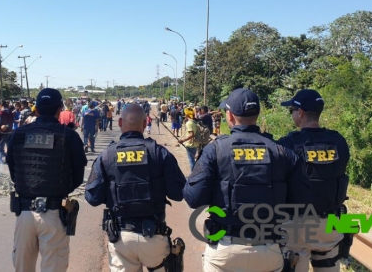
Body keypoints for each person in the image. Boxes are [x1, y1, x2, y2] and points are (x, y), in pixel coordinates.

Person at [183, 88, 312, 272]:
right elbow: (302, 201)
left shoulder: (215, 150)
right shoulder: (282, 151)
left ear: (229, 116)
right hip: (268, 249)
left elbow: (192, 198)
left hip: (225, 250)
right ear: (257, 114)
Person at [85, 103, 187, 271]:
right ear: (146, 122)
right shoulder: (159, 153)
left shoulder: (107, 155)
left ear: (119, 123)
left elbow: (92, 198)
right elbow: (178, 194)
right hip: (155, 237)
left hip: (121, 239)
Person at [6, 88, 87, 272]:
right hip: (54, 213)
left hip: (24, 213)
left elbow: (13, 171)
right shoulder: (69, 136)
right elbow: (77, 177)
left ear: (36, 110)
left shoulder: (18, 135)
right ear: (60, 109)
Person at [278, 89, 350, 272]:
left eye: (292, 110)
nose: (292, 114)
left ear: (300, 113)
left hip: (297, 226)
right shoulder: (339, 141)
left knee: (292, 264)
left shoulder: (288, 144)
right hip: (331, 224)